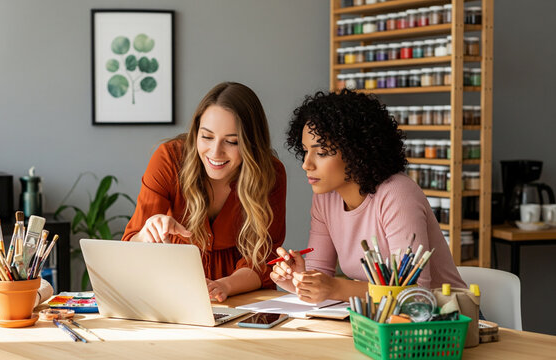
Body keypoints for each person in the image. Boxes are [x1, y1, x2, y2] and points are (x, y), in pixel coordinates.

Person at [271, 89, 465, 303]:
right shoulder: (325, 198)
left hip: (445, 321)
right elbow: (321, 276)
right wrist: (298, 279)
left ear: (357, 151)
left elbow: (414, 293)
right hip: (382, 319)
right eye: (305, 150)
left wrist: (335, 288)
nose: (306, 164)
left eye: (322, 152)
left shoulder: (397, 193)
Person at [122, 82, 286, 302]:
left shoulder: (270, 173)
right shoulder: (169, 159)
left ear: (252, 143)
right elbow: (129, 245)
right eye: (207, 137)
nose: (215, 152)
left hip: (242, 293)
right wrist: (147, 233)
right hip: (171, 292)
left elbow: (264, 260)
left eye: (232, 141)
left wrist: (225, 285)